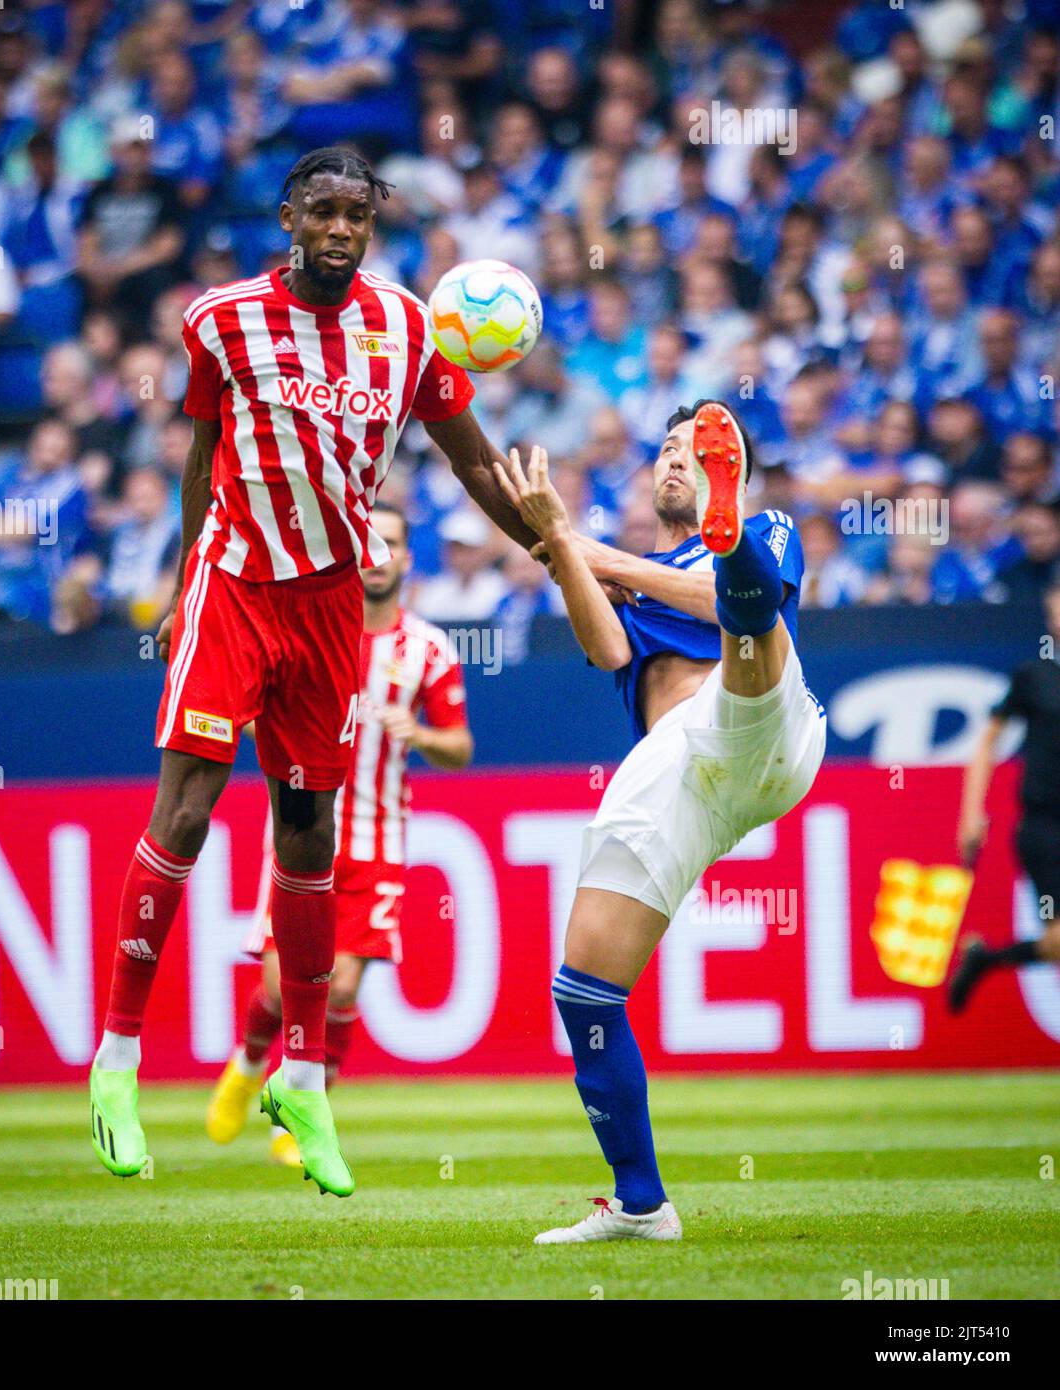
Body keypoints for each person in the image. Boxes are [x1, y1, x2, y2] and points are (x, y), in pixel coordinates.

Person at [87, 146, 538, 1198]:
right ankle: (117, 1057)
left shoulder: (410, 328)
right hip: (235, 582)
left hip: (334, 605)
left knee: (307, 834)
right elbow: (203, 456)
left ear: (373, 224)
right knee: (187, 812)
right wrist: (183, 586)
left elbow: (470, 457)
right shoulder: (221, 318)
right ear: (290, 214)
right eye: (324, 211)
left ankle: (302, 1077)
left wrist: (542, 540)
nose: (341, 229)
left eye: (359, 214)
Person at [493, 400, 826, 1243]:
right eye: (671, 448)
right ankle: (642, 1204)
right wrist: (562, 548)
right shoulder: (627, 576)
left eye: (705, 452)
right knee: (583, 988)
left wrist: (597, 552)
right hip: (681, 773)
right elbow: (606, 650)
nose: (680, 457)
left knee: (749, 624)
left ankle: (729, 548)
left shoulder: (773, 526)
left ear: (735, 478)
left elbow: (729, 604)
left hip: (757, 719)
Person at [205, 501, 473, 1164]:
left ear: (407, 558)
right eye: (369, 543)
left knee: (343, 987)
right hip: (298, 830)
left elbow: (462, 747)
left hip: (378, 839)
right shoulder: (307, 630)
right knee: (281, 985)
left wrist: (426, 736)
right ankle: (246, 1064)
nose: (378, 557)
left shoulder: (429, 648)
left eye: (392, 543)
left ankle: (298, 1118)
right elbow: (249, 705)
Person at [950, 580, 1060, 1010]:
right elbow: (988, 740)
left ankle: (986, 958)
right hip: (1046, 826)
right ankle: (985, 959)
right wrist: (971, 812)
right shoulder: (1036, 675)